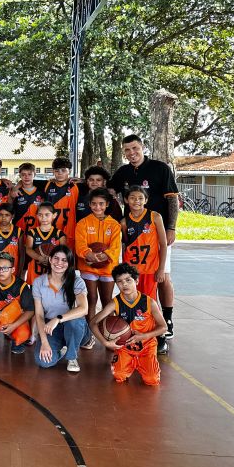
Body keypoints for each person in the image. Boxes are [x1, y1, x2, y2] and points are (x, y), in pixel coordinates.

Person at [108, 133, 179, 353]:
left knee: (162, 277)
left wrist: (171, 227)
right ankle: (135, 324)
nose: (132, 153)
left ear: (143, 147)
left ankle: (165, 322)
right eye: (127, 150)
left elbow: (172, 199)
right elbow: (108, 190)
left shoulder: (160, 168)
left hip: (157, 231)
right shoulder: (123, 172)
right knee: (135, 286)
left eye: (135, 148)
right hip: (133, 234)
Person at [90, 263, 167, 386]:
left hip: (146, 346)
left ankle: (141, 362)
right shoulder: (115, 303)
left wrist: (143, 336)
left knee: (152, 380)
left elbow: (164, 327)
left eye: (128, 280)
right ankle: (131, 362)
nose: (124, 284)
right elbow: (93, 322)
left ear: (136, 281)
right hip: (124, 347)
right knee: (119, 376)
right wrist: (105, 342)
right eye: (119, 281)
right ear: (116, 284)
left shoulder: (149, 302)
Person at [32, 245, 90, 373]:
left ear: (69, 263)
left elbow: (84, 309)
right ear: (50, 260)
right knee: (43, 362)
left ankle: (72, 356)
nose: (59, 263)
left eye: (64, 260)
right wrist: (44, 342)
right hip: (50, 328)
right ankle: (64, 350)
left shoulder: (76, 281)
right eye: (56, 258)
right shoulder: (38, 282)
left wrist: (58, 319)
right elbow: (39, 315)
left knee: (74, 321)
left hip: (74, 327)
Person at [74, 188, 122, 327]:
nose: (97, 207)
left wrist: (104, 255)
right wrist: (89, 254)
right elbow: (80, 244)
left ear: (107, 204)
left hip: (108, 268)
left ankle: (108, 329)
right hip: (88, 267)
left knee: (107, 299)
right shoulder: (83, 223)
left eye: (101, 203)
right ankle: (89, 331)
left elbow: (115, 246)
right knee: (91, 298)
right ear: (89, 204)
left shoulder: (114, 224)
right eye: (94, 203)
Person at [121, 186, 167, 301]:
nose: (137, 201)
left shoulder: (155, 217)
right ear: (126, 200)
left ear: (146, 200)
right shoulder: (124, 222)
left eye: (140, 198)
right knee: (131, 301)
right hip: (131, 270)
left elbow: (163, 244)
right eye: (132, 198)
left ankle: (153, 320)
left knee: (149, 302)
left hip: (150, 270)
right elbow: (125, 246)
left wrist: (161, 269)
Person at [24, 201, 66, 285]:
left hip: (53, 271)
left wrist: (52, 259)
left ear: (54, 215)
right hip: (35, 271)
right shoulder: (32, 233)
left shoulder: (59, 234)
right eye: (40, 215)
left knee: (52, 295)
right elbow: (28, 249)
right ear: (36, 216)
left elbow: (63, 251)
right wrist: (39, 257)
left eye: (47, 215)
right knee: (35, 296)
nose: (43, 218)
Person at [43, 156, 79, 245]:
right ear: (53, 171)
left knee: (67, 257)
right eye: (57, 170)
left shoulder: (76, 185)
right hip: (51, 231)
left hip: (70, 231)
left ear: (69, 171)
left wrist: (82, 180)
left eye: (63, 170)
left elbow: (94, 183)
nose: (60, 173)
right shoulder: (47, 184)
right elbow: (25, 183)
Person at [0, 203, 24, 272]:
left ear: (12, 216)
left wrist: (19, 272)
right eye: (0, 215)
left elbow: (22, 254)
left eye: (7, 215)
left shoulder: (18, 231)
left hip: (13, 270)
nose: (3, 218)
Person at [11, 162, 44, 232]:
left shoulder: (41, 191)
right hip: (19, 230)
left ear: (34, 174)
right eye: (23, 174)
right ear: (20, 176)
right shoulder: (15, 192)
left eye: (29, 174)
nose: (26, 177)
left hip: (37, 231)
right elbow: (9, 208)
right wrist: (11, 197)